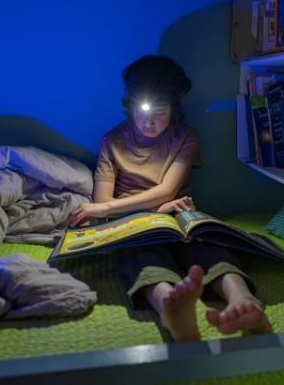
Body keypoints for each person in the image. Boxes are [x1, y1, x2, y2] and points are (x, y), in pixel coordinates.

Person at [68, 55, 271, 341]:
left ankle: (243, 300)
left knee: (206, 245)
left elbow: (165, 191)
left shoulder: (185, 137)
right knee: (140, 254)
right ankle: (168, 304)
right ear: (130, 105)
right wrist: (147, 211)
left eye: (160, 113)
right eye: (141, 112)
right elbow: (103, 203)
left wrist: (156, 208)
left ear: (174, 108)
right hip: (132, 222)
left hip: (178, 215)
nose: (148, 123)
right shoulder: (112, 141)